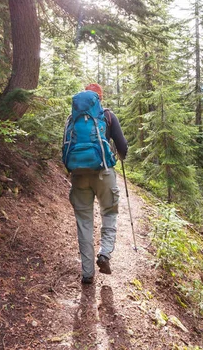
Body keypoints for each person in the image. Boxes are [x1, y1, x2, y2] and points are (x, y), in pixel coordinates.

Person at [66, 83, 128, 284]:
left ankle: (87, 273)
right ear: (99, 99)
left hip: (78, 174)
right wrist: (119, 155)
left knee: (84, 222)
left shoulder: (72, 119)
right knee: (109, 212)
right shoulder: (107, 116)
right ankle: (105, 253)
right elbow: (123, 147)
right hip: (103, 172)